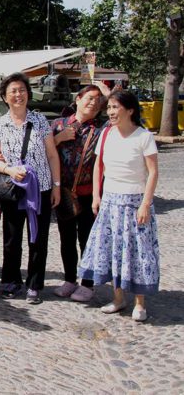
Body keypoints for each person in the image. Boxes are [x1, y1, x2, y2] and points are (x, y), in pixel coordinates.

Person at [79, 90, 159, 322]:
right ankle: (117, 298)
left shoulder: (144, 137)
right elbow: (98, 167)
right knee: (114, 250)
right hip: (111, 202)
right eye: (110, 108)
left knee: (137, 252)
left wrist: (146, 203)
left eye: (116, 107)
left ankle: (140, 303)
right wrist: (96, 196)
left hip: (135, 203)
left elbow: (153, 172)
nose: (111, 112)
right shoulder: (106, 134)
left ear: (130, 110)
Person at [0, 72, 61, 304]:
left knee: (38, 238)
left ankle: (34, 284)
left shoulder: (40, 121)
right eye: (13, 91)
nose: (18, 95)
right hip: (14, 186)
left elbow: (52, 155)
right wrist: (9, 170)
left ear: (28, 94)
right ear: (5, 96)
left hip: (40, 189)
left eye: (22, 90)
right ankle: (11, 281)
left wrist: (57, 186)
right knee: (12, 238)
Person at [51, 85, 106, 302]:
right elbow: (44, 152)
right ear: (78, 99)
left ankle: (87, 283)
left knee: (87, 240)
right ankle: (69, 279)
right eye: (90, 98)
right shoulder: (58, 125)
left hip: (88, 193)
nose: (93, 102)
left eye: (97, 100)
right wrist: (59, 138)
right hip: (63, 193)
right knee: (66, 239)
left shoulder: (102, 129)